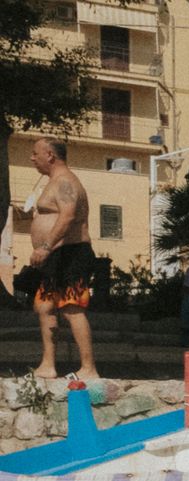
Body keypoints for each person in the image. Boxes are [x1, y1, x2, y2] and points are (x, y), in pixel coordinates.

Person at [20, 139, 99, 380]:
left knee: (72, 307)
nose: (32, 158)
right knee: (44, 306)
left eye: (36, 154)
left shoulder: (65, 182)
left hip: (72, 252)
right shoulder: (54, 182)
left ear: (50, 155)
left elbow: (67, 217)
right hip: (57, 256)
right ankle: (48, 364)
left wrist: (45, 246)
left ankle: (89, 368)